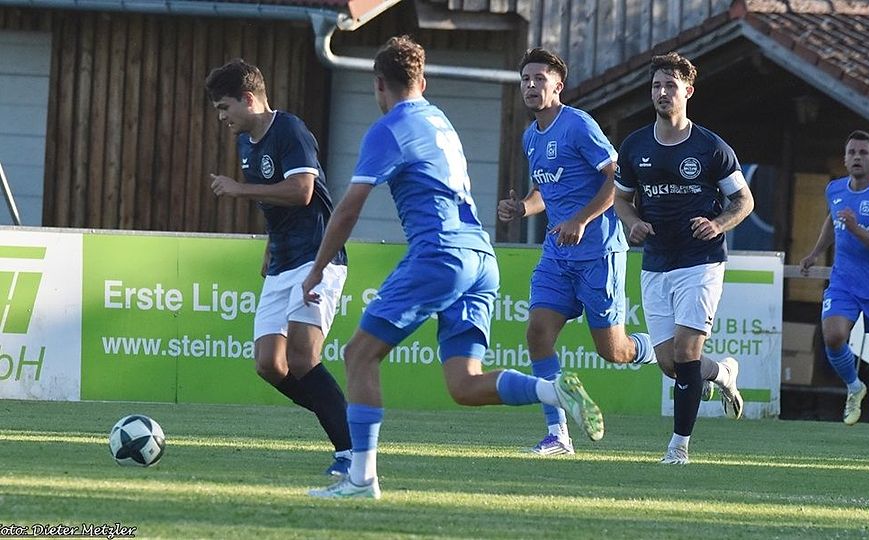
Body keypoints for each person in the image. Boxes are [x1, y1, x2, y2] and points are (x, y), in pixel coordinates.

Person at [302, 35, 604, 500]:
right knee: (463, 384)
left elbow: (347, 208)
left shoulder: (389, 127)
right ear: (422, 81)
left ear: (379, 84)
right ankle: (552, 391)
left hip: (440, 254)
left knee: (359, 354)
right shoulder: (438, 119)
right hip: (481, 257)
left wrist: (317, 268)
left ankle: (361, 479)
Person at [497, 47, 656, 456]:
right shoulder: (530, 136)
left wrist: (581, 219)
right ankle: (558, 435)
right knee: (537, 333)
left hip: (598, 253)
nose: (531, 86)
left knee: (614, 351)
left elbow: (617, 179)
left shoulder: (578, 125)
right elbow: (544, 191)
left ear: (558, 86)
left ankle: (659, 348)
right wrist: (522, 208)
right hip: (557, 255)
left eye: (540, 79)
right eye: (526, 79)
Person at [205, 59, 352, 475]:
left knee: (304, 358)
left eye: (224, 107)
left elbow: (303, 191)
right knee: (270, 364)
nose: (222, 117)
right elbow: (276, 202)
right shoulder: (245, 142)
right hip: (283, 260)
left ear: (248, 99)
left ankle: (350, 450)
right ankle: (342, 417)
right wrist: (270, 246)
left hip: (317, 258)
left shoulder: (290, 130)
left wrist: (239, 189)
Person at [613, 52, 754, 464]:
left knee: (687, 352)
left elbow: (743, 200)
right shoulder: (635, 145)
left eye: (670, 86)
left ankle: (678, 448)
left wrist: (718, 224)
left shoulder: (711, 147)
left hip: (701, 260)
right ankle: (722, 372)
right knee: (670, 363)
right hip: (656, 261)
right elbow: (621, 200)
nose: (662, 92)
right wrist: (632, 223)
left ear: (688, 91)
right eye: (656, 86)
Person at [800, 130, 869, 430]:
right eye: (852, 152)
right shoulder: (834, 190)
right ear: (845, 159)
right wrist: (815, 253)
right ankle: (855, 387)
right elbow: (833, 220)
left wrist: (857, 230)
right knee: (832, 336)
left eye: (863, 153)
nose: (857, 157)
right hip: (843, 281)